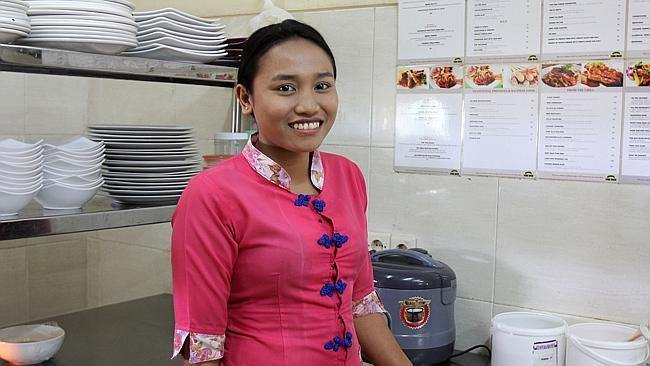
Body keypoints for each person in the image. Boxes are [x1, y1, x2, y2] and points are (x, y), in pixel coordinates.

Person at [171, 19, 412, 366]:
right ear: (246, 98)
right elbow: (204, 345)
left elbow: (361, 304)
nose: (308, 105)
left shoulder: (348, 176)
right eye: (285, 88)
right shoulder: (211, 195)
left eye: (322, 85)